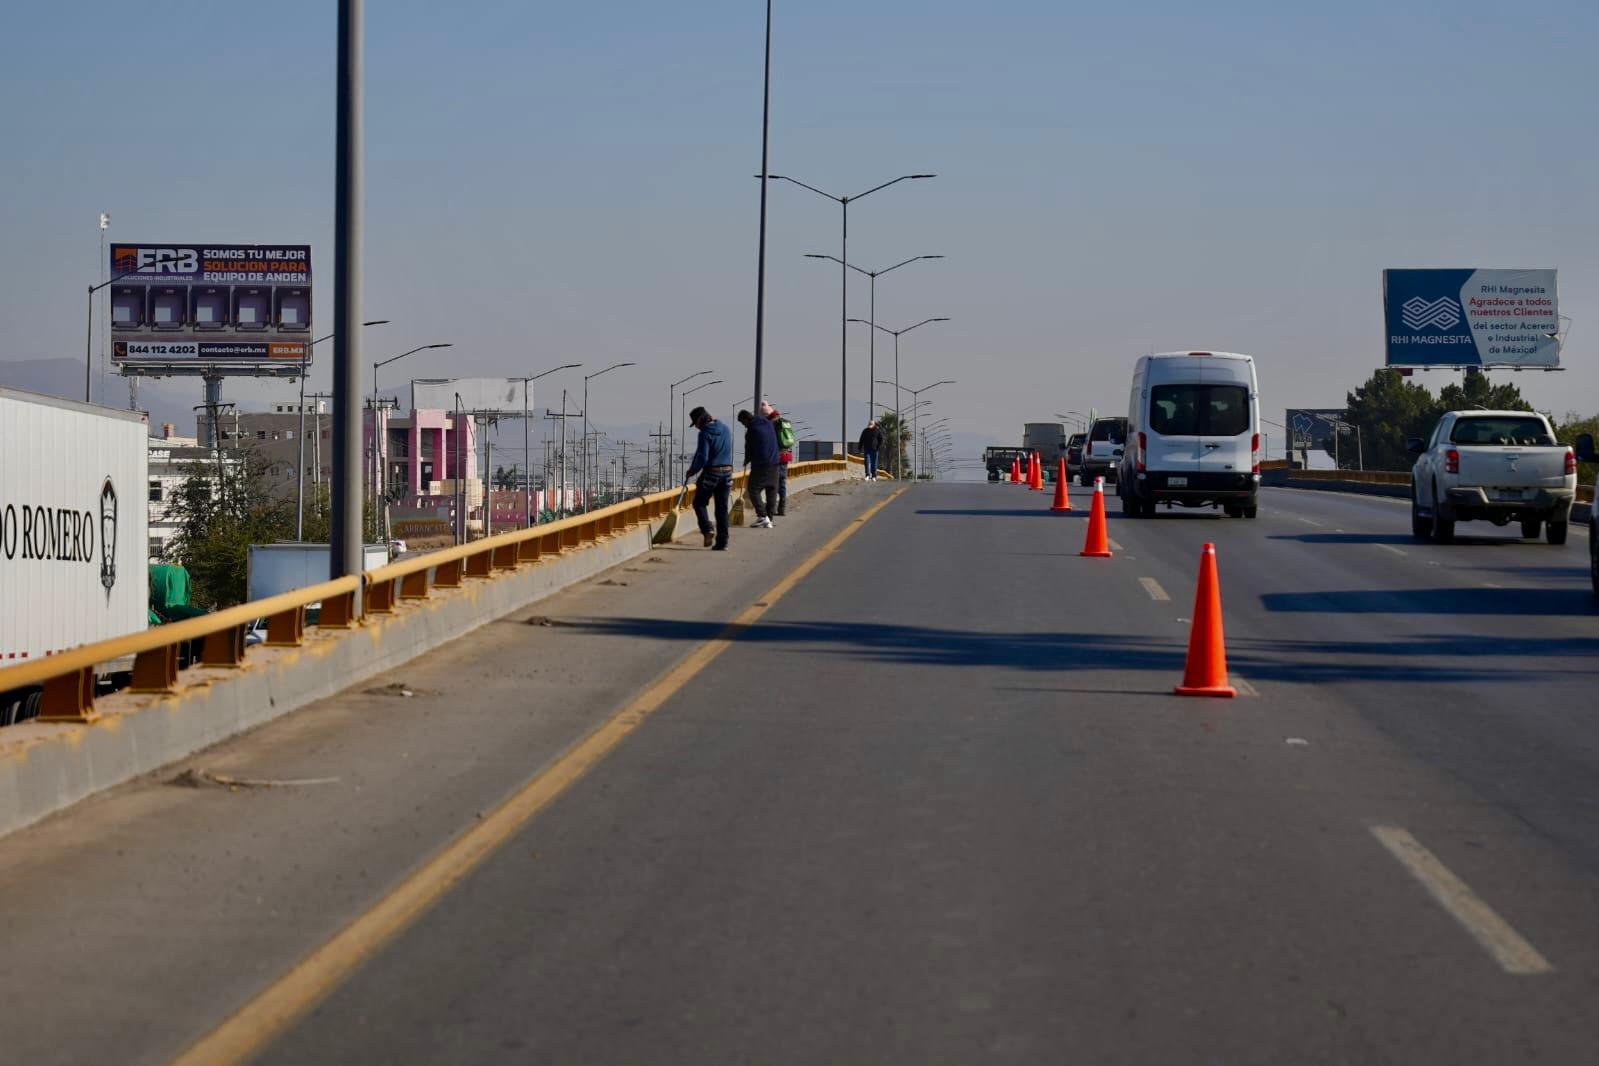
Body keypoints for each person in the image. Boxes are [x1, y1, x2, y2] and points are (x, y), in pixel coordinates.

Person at [684, 406, 733, 549]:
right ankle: (722, 542)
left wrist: (692, 471)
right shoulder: (726, 429)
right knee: (722, 508)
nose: (696, 427)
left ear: (701, 419)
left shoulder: (705, 433)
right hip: (727, 473)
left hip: (712, 473)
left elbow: (702, 457)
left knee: (699, 503)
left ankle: (707, 529)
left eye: (696, 423)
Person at [738, 408, 781, 528]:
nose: (744, 426)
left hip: (761, 464)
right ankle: (769, 519)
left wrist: (746, 460)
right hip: (775, 462)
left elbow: (749, 448)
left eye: (742, 423)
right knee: (771, 490)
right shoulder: (767, 422)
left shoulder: (752, 430)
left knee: (753, 489)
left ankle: (762, 516)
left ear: (746, 419)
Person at [766, 404, 796, 516]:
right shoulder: (786, 422)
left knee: (773, 483)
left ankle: (771, 508)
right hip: (786, 456)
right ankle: (782, 509)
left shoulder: (772, 424)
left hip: (776, 457)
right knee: (782, 483)